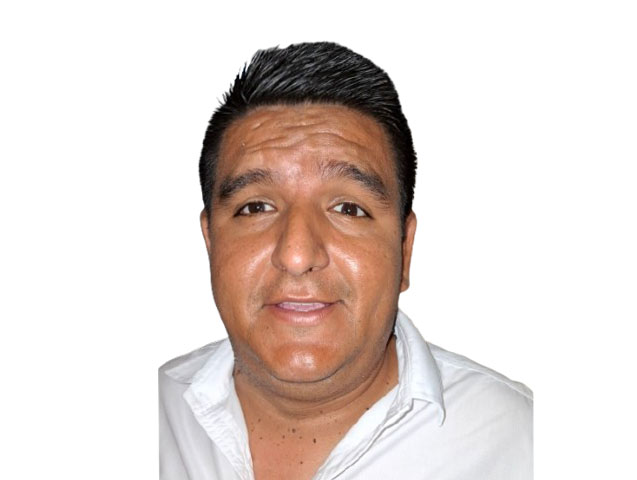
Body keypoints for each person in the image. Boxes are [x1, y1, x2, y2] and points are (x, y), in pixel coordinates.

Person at [159, 42, 532, 480]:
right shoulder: (154, 415)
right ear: (211, 242)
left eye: (348, 209)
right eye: (256, 207)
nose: (297, 255)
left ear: (404, 249)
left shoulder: (521, 443)